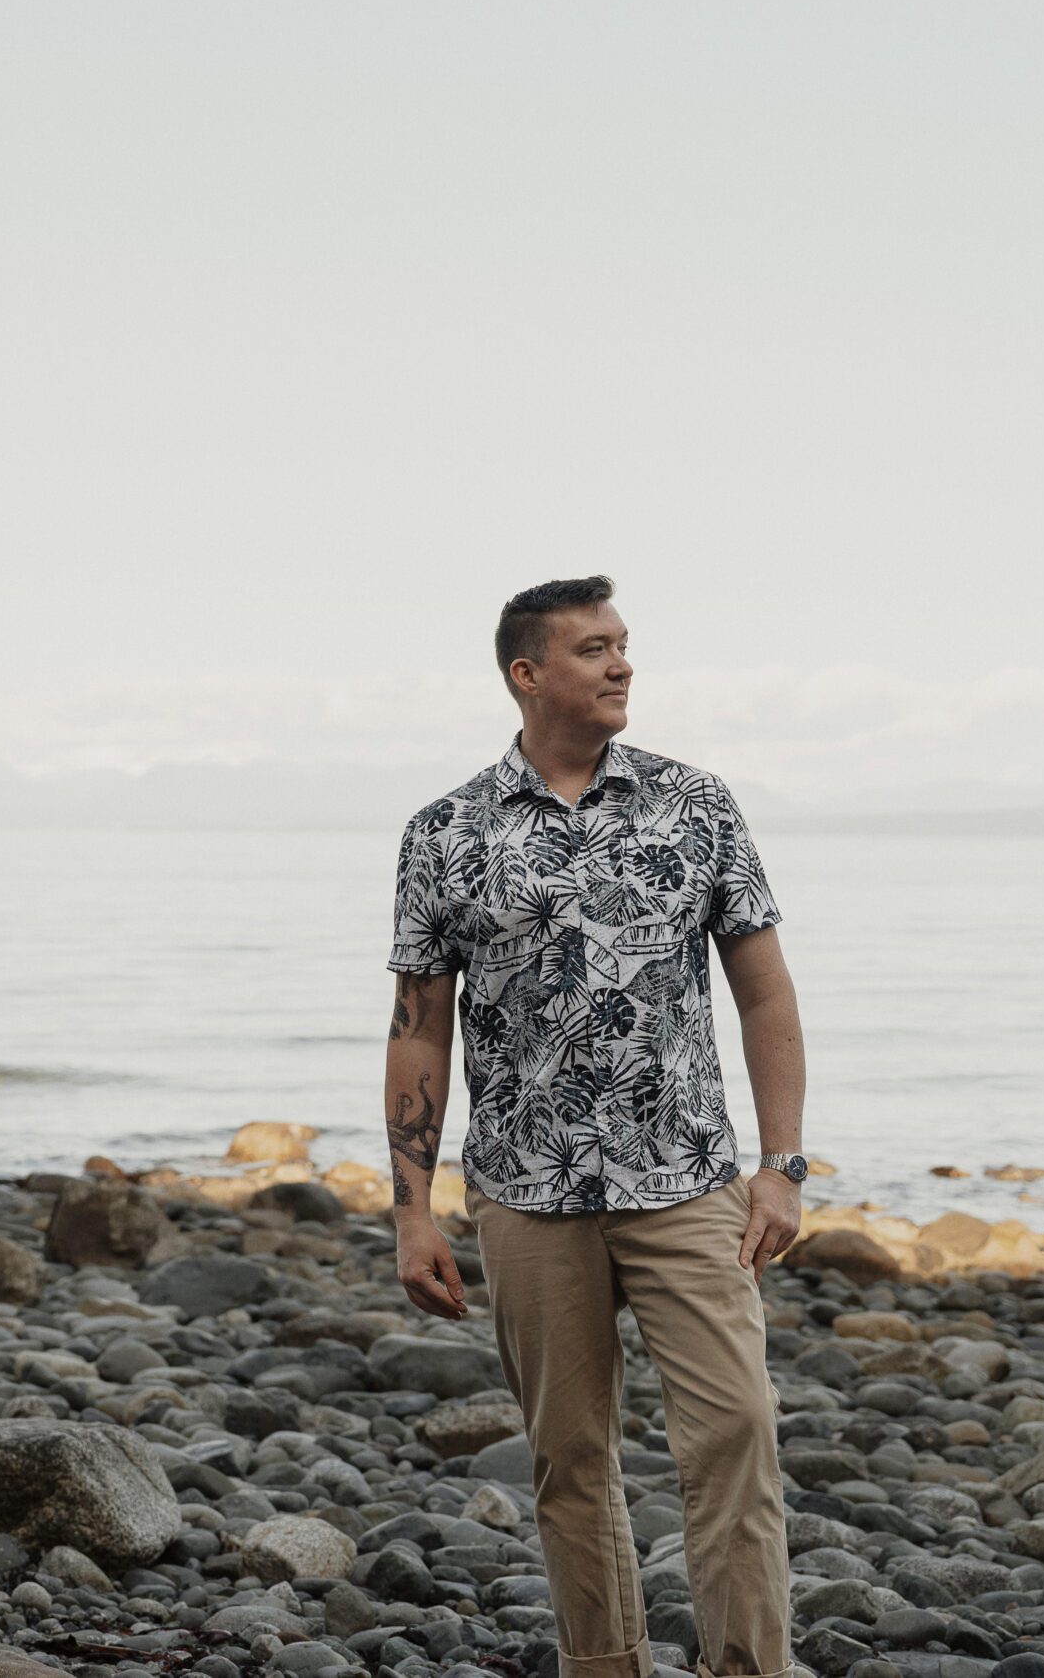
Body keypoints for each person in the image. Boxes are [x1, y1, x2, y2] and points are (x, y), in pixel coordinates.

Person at [383, 576, 807, 1678]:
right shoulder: (445, 832)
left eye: (622, 646)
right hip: (527, 1195)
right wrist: (410, 1213)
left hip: (686, 1181)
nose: (620, 666)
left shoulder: (695, 804)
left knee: (737, 1432)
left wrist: (782, 1168)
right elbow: (419, 1030)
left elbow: (763, 993)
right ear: (527, 676)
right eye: (591, 649)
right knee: (570, 1461)